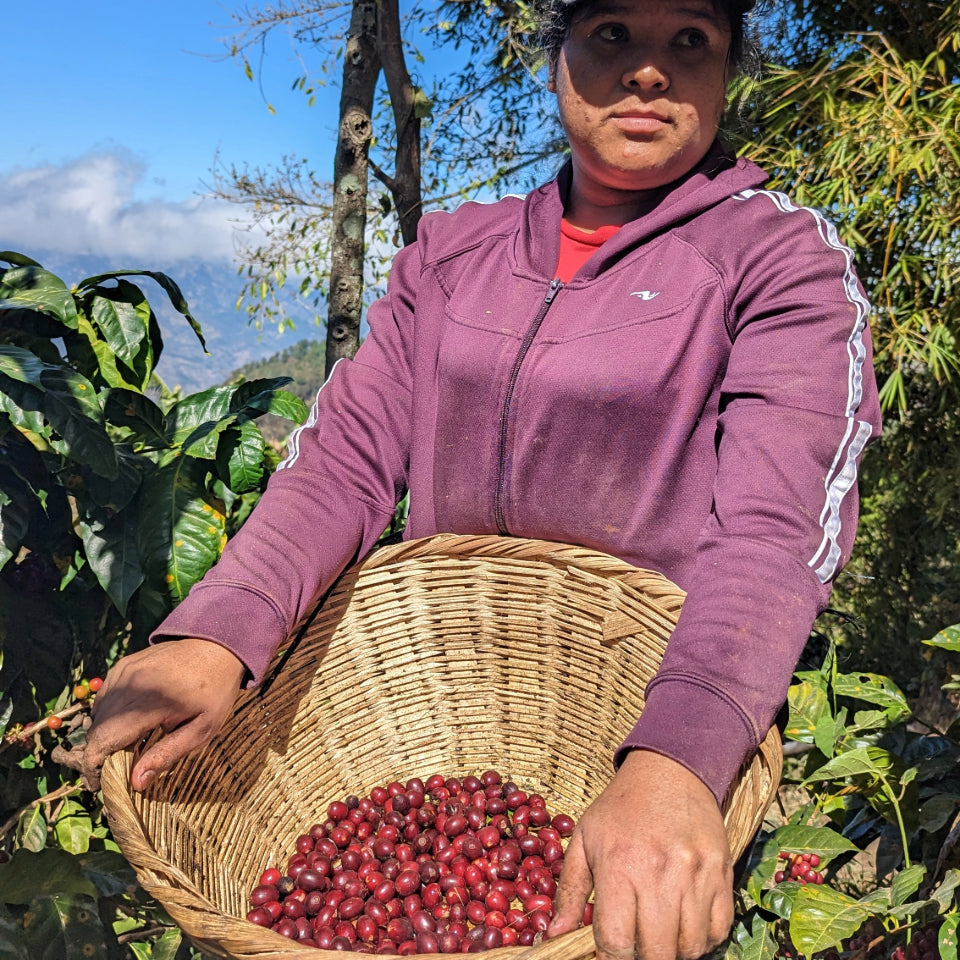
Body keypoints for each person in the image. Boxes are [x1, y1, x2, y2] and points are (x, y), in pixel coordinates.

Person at [82, 1, 882, 958]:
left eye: (691, 43)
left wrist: (680, 760)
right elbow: (347, 454)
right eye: (613, 35)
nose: (648, 73)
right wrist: (218, 630)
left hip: (646, 721)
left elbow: (775, 529)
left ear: (726, 74)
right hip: (437, 703)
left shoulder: (778, 259)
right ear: (558, 57)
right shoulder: (457, 251)